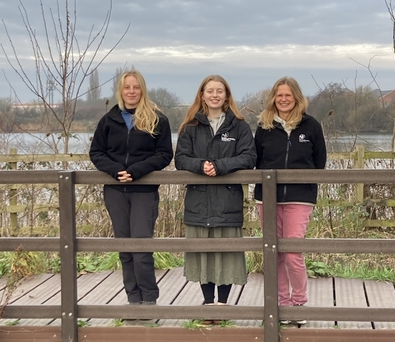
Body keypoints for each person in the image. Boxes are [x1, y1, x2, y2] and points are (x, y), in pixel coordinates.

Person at [89, 70, 173, 307]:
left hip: (143, 191)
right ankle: (133, 299)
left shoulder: (158, 120)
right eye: (127, 87)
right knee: (124, 248)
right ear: (121, 90)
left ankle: (149, 299)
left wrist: (137, 171)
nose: (132, 91)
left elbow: (165, 154)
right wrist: (115, 170)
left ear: (142, 90)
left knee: (141, 246)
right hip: (115, 191)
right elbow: (96, 152)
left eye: (136, 87)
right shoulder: (109, 120)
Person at [175, 75, 256, 314]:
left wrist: (220, 166)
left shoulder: (239, 126)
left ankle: (223, 304)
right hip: (198, 200)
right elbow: (180, 158)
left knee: (226, 253)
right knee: (203, 254)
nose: (214, 95)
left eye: (219, 91)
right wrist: (200, 166)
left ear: (226, 96)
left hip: (227, 200)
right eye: (209, 91)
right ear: (202, 95)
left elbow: (249, 157)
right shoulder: (190, 126)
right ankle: (209, 304)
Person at [254, 76, 326, 326]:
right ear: (273, 98)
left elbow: (320, 162)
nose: (283, 99)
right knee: (274, 253)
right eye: (279, 95)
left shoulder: (311, 126)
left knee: (293, 251)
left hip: (300, 197)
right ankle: (280, 303)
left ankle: (298, 303)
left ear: (296, 97)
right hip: (268, 198)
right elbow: (257, 160)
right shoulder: (264, 126)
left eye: (288, 95)